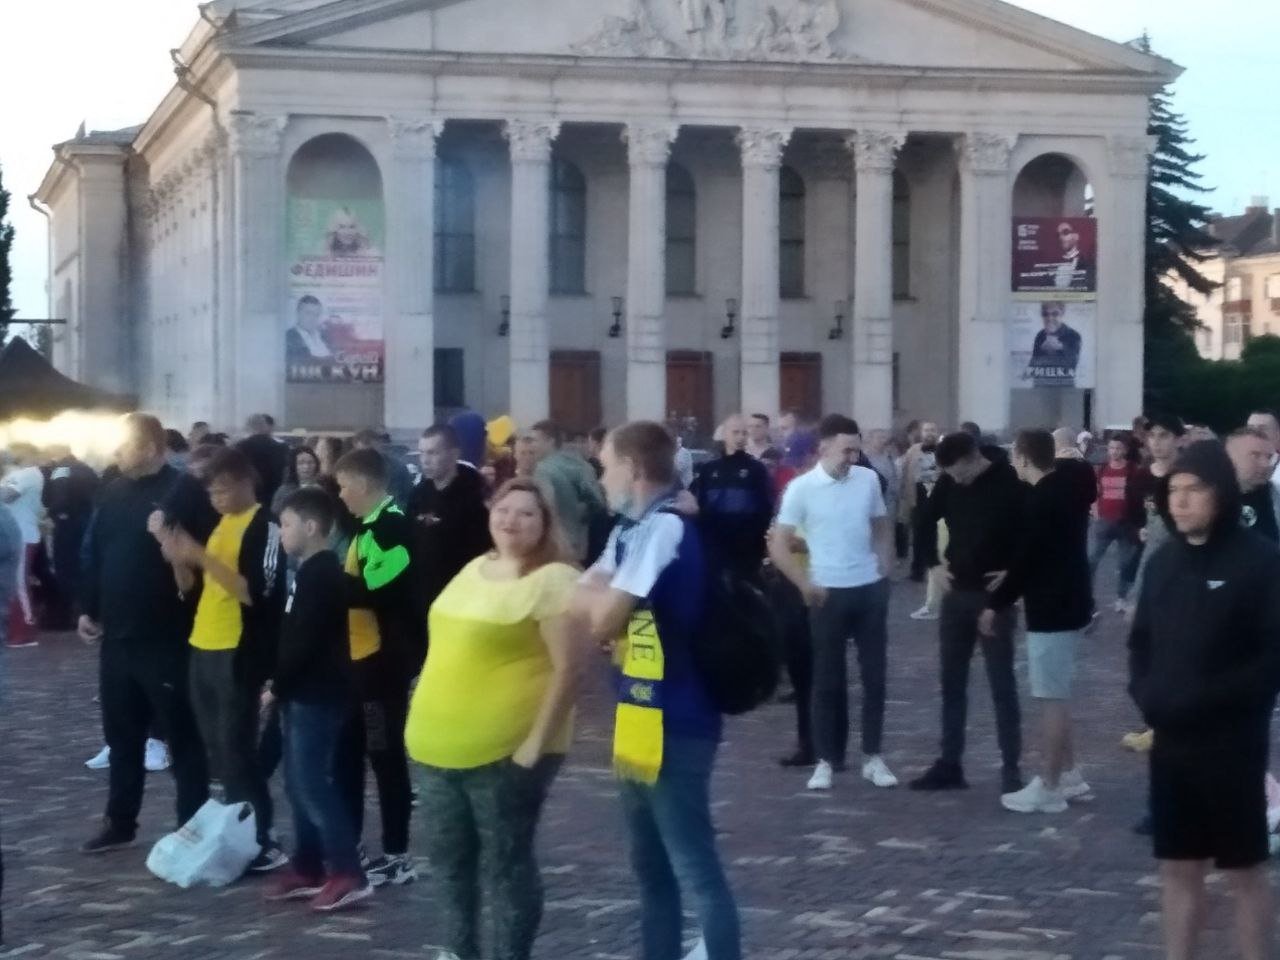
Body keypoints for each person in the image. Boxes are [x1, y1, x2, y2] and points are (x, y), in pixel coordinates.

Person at [573, 421, 741, 960]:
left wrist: (603, 603)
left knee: (694, 865)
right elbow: (580, 597)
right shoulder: (631, 529)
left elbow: (602, 618)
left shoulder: (662, 528)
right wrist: (602, 602)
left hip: (677, 717)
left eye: (606, 467)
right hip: (637, 712)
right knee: (650, 867)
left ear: (634, 469)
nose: (600, 479)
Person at [407, 479, 587, 960]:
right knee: (449, 864)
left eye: (527, 513)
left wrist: (535, 745)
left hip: (505, 753)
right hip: (435, 746)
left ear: (546, 523)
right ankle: (457, 951)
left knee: (505, 865)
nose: (511, 520)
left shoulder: (555, 580)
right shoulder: (474, 567)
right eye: (504, 509)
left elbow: (570, 671)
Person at [1129, 441, 1280, 960]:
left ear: (1220, 493)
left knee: (1243, 870)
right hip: (1172, 741)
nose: (1181, 500)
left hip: (1232, 743)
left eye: (1194, 489)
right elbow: (1141, 642)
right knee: (1178, 866)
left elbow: (1271, 656)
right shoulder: (1163, 561)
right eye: (1174, 489)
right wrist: (1147, 694)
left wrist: (1213, 700)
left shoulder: (1260, 561)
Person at [78, 414, 213, 854]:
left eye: (125, 445)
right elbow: (97, 551)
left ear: (151, 448)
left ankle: (191, 823)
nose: (116, 453)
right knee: (122, 735)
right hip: (117, 637)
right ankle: (120, 821)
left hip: (167, 636)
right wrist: (89, 608)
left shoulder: (184, 491)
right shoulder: (112, 490)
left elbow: (202, 558)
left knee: (182, 735)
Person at [156, 447, 286, 871]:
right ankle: (236, 831)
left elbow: (254, 592)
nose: (217, 499)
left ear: (247, 483)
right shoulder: (221, 525)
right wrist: (177, 557)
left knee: (236, 747)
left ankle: (261, 836)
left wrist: (199, 556)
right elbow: (192, 586)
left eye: (224, 490)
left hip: (237, 647)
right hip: (203, 641)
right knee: (217, 747)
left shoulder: (264, 525)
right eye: (212, 493)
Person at [769, 415, 896, 793]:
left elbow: (881, 526)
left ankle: (873, 756)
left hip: (868, 588)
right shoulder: (801, 488)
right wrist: (804, 583)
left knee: (875, 678)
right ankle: (825, 759)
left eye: (856, 450)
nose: (853, 458)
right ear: (824, 448)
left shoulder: (867, 479)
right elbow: (779, 544)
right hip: (827, 591)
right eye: (846, 451)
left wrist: (885, 568)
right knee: (827, 679)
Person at [265, 488, 371, 911]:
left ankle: (348, 871)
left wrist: (277, 686)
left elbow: (305, 641)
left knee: (312, 782)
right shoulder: (308, 571)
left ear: (311, 527)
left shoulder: (321, 575)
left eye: (287, 524)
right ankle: (308, 865)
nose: (282, 532)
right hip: (302, 691)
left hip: (319, 693)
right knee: (297, 782)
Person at [986, 430, 1095, 814]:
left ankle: (1049, 785)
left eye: (1015, 456)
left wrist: (995, 604)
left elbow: (1029, 558)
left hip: (1052, 608)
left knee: (1051, 698)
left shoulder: (1041, 499)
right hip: (1071, 601)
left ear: (1023, 457)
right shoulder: (1068, 488)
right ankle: (1069, 773)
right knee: (1056, 692)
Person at [910, 432, 1025, 794]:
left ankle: (1011, 768)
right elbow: (923, 519)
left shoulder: (1010, 481)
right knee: (951, 682)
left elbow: (1033, 532)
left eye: (958, 472)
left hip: (995, 596)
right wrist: (933, 563)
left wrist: (1014, 573)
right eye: (949, 474)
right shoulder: (949, 482)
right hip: (957, 591)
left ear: (974, 458)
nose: (955, 479)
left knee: (1001, 685)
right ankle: (950, 764)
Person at [333, 447, 424, 887]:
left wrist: (328, 584)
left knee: (384, 756)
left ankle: (396, 854)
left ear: (364, 484)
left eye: (343, 486)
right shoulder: (366, 527)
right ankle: (351, 843)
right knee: (347, 754)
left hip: (381, 666)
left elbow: (378, 590)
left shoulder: (392, 527)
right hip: (358, 663)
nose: (340, 495)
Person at [409, 425, 492, 611]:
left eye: (433, 453)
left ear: (454, 454)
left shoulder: (475, 497)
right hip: (422, 598)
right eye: (422, 453)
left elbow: (483, 551)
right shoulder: (418, 495)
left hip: (462, 597)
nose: (425, 460)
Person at [689, 415, 775, 582]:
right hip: (714, 546)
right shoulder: (708, 469)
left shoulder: (757, 469)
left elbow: (765, 508)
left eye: (744, 433)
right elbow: (697, 504)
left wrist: (760, 543)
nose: (740, 437)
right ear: (724, 434)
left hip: (747, 548)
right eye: (735, 432)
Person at [530, 420, 607, 563]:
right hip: (581, 544)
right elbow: (598, 503)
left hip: (554, 546)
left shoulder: (543, 469)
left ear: (550, 441)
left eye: (535, 440)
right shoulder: (582, 465)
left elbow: (546, 507)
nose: (532, 446)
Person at [1090, 435, 1142, 610]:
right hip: (1104, 522)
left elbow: (1140, 496)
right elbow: (1095, 493)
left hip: (1126, 524)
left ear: (1125, 450)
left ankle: (1121, 598)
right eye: (1111, 448)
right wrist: (1096, 514)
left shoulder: (1133, 470)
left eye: (1118, 448)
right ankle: (1086, 596)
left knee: (1125, 564)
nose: (1114, 452)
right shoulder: (1102, 469)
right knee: (1091, 560)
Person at [2, 444, 45, 648]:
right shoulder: (13, 474)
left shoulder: (30, 474)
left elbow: (6, 495)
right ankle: (11, 630)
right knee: (8, 583)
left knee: (19, 584)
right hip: (9, 535)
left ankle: (25, 633)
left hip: (23, 535)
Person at [899, 421, 941, 585]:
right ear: (921, 433)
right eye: (926, 430)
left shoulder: (944, 449)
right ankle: (917, 571)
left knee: (936, 535)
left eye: (932, 430)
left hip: (938, 496)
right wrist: (905, 494)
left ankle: (936, 570)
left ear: (937, 432)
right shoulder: (913, 450)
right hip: (918, 496)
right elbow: (904, 471)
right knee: (918, 534)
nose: (929, 433)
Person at [1228, 427, 1280, 544]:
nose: (1266, 464)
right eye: (1255, 456)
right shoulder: (1210, 500)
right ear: (1230, 459)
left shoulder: (1277, 495)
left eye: (1269, 457)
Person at [352, 429, 414, 510]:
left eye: (372, 452)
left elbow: (407, 496)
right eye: (363, 453)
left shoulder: (397, 468)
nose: (368, 456)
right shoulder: (352, 470)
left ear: (380, 446)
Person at [237, 414, 289, 508]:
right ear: (265, 426)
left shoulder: (240, 447)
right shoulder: (281, 447)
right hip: (274, 495)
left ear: (249, 428)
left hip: (250, 495)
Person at [271, 446, 323, 518]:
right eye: (301, 463)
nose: (306, 467)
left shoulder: (322, 488)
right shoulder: (284, 491)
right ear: (294, 466)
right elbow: (275, 513)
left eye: (310, 462)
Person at [287, 295, 333, 362]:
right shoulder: (289, 338)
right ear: (298, 313)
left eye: (316, 315)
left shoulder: (325, 336)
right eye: (308, 313)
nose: (313, 318)